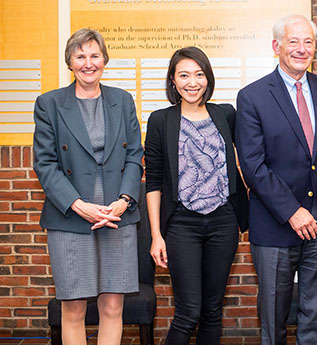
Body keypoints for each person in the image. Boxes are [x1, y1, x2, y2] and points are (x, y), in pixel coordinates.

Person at [235, 14, 317, 345]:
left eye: (309, 42)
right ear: (277, 46)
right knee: (274, 317)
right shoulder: (252, 96)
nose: (302, 49)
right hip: (276, 224)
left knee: (316, 314)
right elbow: (253, 166)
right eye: (294, 41)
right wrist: (292, 211)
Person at [33, 28, 143, 345]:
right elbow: (45, 163)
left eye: (94, 55)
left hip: (116, 215)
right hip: (70, 216)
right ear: (70, 61)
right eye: (80, 56)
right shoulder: (49, 104)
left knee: (112, 305)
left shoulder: (122, 101)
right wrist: (78, 205)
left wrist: (124, 200)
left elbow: (135, 154)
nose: (88, 63)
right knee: (74, 307)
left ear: (105, 60)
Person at [144, 46, 248, 345]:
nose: (193, 82)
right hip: (181, 225)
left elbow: (252, 155)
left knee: (213, 311)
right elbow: (153, 181)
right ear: (173, 81)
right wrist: (156, 235)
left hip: (223, 222)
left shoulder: (225, 114)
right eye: (184, 75)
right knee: (189, 312)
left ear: (208, 78)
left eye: (199, 74)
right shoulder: (161, 120)